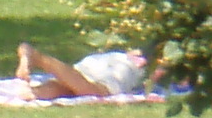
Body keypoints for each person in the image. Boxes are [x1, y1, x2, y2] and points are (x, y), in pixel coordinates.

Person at [17, 42, 153, 101]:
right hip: (131, 64)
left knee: (70, 86)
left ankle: (36, 92)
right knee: (97, 91)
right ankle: (39, 59)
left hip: (101, 60)